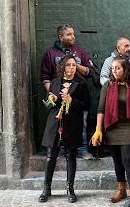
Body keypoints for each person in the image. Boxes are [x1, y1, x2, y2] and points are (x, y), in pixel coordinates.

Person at [91, 57, 130, 203]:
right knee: (117, 160)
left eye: (118, 68)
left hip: (129, 126)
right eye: (112, 68)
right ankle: (121, 189)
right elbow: (101, 109)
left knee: (128, 159)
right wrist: (98, 129)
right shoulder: (108, 85)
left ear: (125, 68)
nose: (114, 71)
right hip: (112, 127)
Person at [39, 54, 91, 203]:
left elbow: (87, 105)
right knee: (51, 157)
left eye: (74, 65)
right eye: (68, 65)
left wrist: (72, 101)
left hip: (72, 124)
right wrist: (53, 100)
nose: (72, 68)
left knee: (71, 157)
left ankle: (70, 189)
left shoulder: (81, 84)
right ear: (63, 67)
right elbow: (49, 105)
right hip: (55, 124)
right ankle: (46, 188)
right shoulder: (55, 83)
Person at [40, 24, 95, 160]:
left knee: (82, 123)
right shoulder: (51, 53)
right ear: (61, 37)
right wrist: (52, 94)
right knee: (60, 123)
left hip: (78, 95)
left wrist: (75, 65)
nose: (72, 37)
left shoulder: (80, 51)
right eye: (69, 34)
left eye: (73, 34)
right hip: (59, 97)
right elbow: (45, 76)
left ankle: (82, 149)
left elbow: (90, 71)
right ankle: (61, 149)